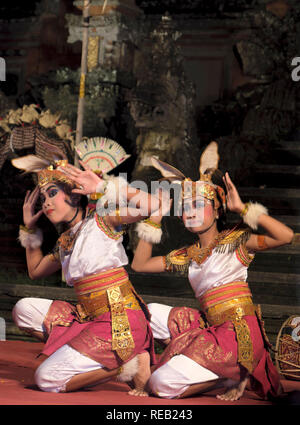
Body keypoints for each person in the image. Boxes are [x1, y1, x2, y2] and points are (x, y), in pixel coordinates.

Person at [131, 141, 294, 401]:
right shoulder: (188, 253)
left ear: (217, 209)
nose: (190, 212)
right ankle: (220, 372)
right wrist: (156, 216)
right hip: (210, 327)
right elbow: (139, 265)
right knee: (141, 313)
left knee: (160, 384)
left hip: (238, 335)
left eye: (197, 204)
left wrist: (242, 208)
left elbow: (285, 236)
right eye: (185, 207)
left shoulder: (237, 241)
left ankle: (232, 375)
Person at [11, 138, 160, 396]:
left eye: (53, 193)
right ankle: (101, 357)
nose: (46, 203)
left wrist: (105, 186)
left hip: (120, 319)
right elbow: (35, 271)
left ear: (75, 194)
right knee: (23, 309)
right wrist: (29, 229)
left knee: (46, 379)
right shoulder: (65, 240)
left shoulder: (103, 220)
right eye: (43, 197)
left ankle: (127, 363)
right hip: (89, 318)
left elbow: (153, 206)